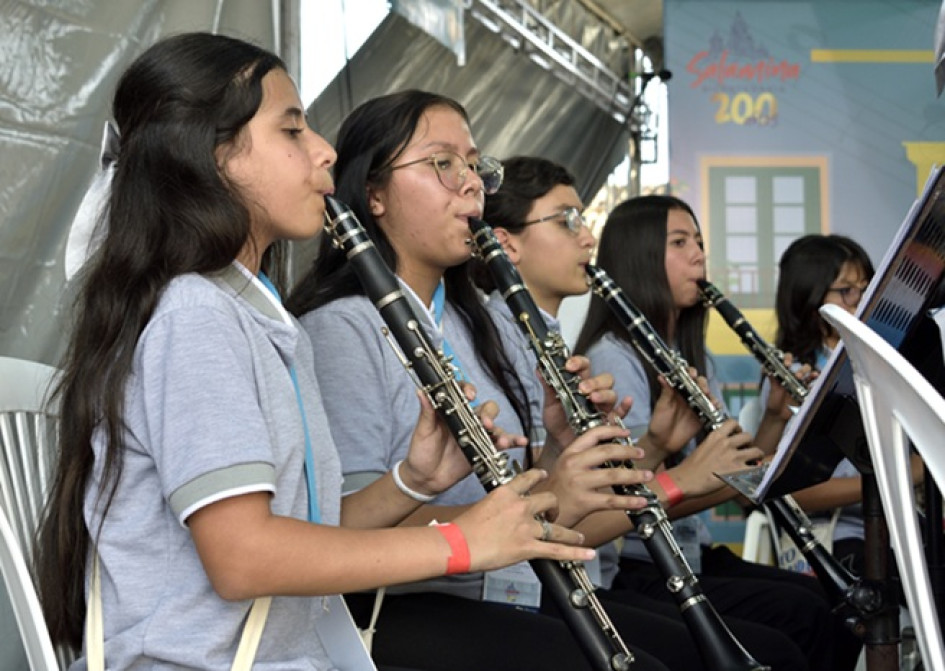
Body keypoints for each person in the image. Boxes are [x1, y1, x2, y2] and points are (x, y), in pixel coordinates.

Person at [32, 33, 599, 671]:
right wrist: (460, 544)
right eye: (293, 130)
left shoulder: (256, 317)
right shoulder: (195, 317)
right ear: (213, 156)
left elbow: (309, 529)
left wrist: (413, 481)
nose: (325, 150)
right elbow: (244, 558)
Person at [286, 90, 688, 671]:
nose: (471, 183)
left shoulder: (475, 325)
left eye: (474, 165)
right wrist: (548, 505)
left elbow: (516, 494)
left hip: (503, 591)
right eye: (442, 164)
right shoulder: (340, 330)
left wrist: (557, 444)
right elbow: (342, 530)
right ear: (373, 194)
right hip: (402, 612)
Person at [478, 154, 818, 670]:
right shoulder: (550, 347)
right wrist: (674, 469)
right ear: (508, 244)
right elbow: (566, 503)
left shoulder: (550, 340)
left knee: (801, 619)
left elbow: (568, 488)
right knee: (784, 633)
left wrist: (762, 424)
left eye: (699, 242)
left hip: (598, 567)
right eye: (568, 221)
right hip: (587, 572)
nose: (586, 239)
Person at [574, 195, 863, 671]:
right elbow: (635, 495)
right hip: (640, 563)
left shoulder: (693, 354)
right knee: (802, 619)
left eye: (700, 242)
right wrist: (691, 469)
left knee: (831, 603)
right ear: (639, 255)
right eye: (680, 242)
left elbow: (742, 485)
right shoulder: (615, 358)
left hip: (690, 551)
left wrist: (773, 418)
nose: (699, 255)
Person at [765, 233, 923, 575]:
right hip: (832, 540)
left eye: (866, 288)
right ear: (808, 298)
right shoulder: (793, 377)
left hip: (895, 530)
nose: (861, 301)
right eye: (846, 291)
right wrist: (900, 476)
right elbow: (793, 494)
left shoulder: (879, 361)